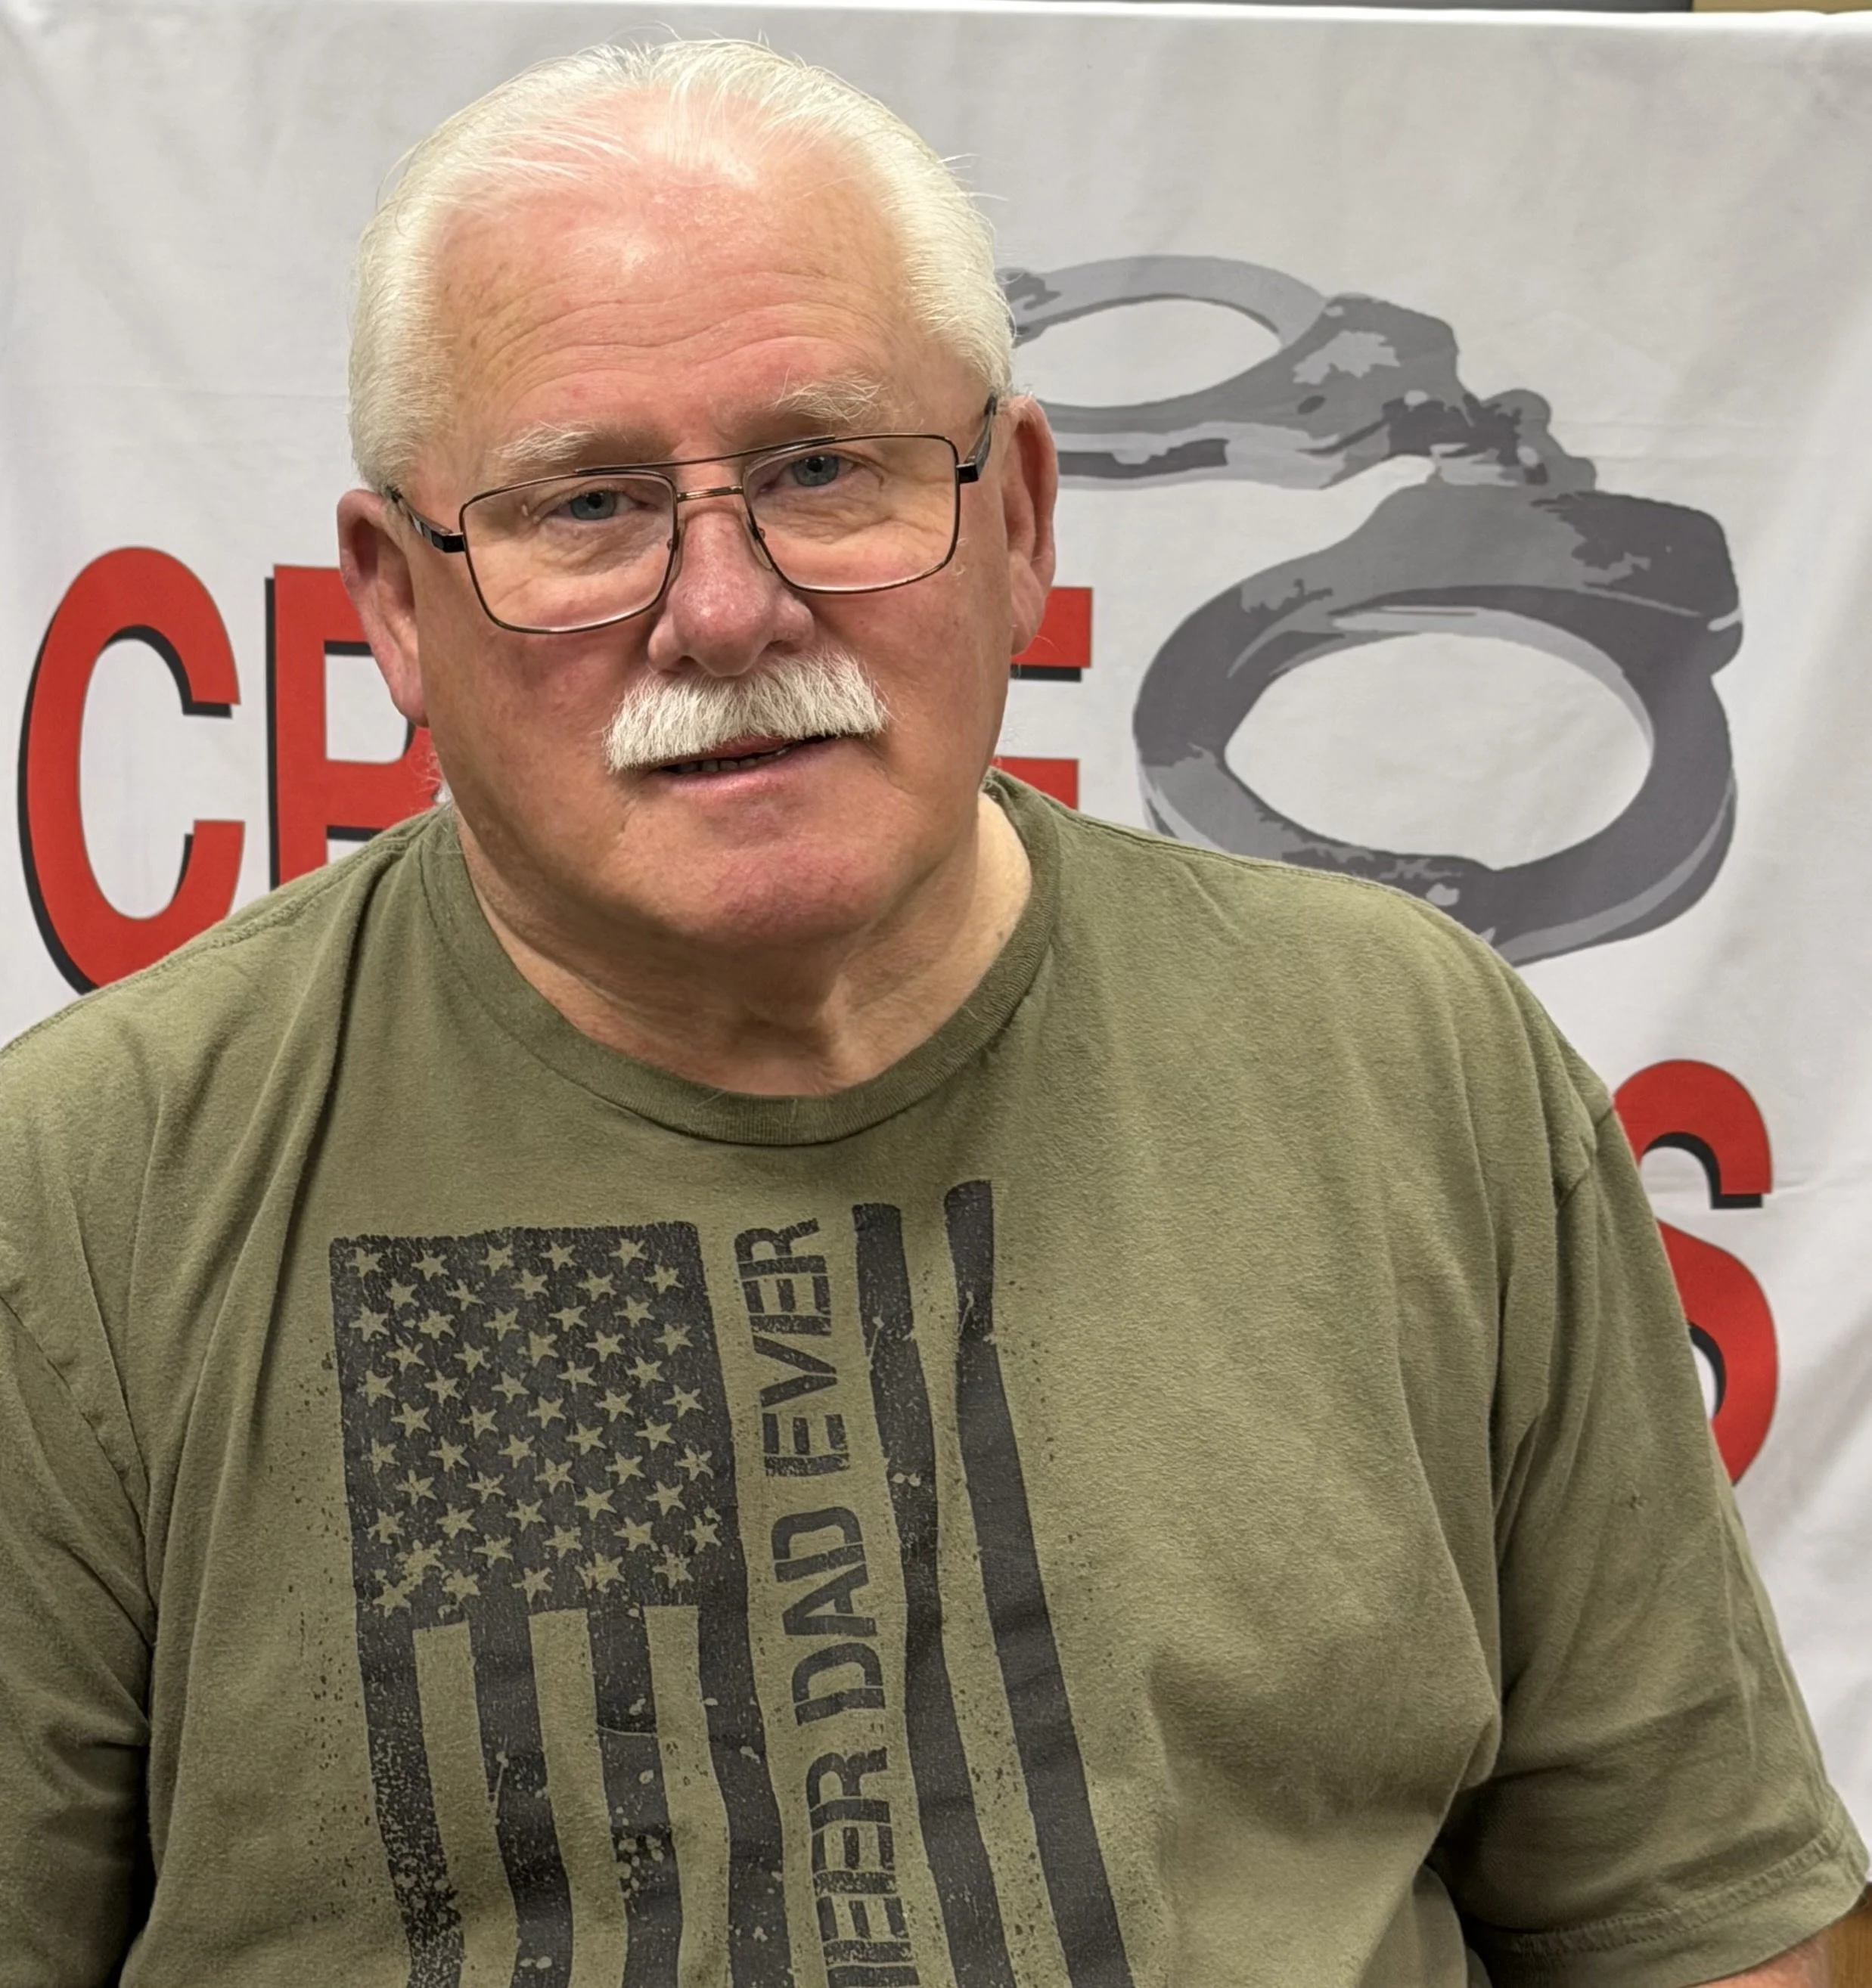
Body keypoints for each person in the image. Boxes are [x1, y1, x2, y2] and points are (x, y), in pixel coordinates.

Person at [0, 38, 1861, 1988]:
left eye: (823, 469)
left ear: (1022, 513)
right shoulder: (95, 1194)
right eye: (589, 506)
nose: (725, 611)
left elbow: (1699, 1918)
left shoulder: (1410, 1067)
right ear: (394, 601)